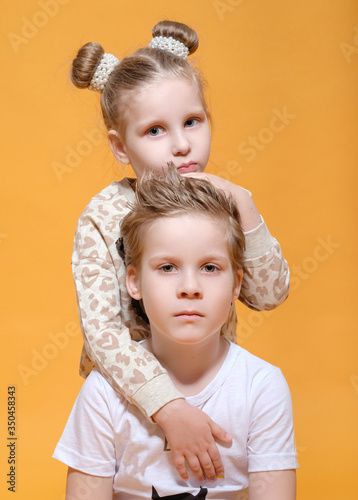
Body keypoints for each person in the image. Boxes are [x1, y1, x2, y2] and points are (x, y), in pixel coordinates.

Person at [69, 20, 290, 482]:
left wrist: (244, 206)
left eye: (192, 121)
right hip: (130, 399)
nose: (183, 144)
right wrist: (169, 409)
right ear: (121, 146)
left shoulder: (218, 205)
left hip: (208, 386)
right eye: (155, 131)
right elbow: (102, 333)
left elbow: (268, 293)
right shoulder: (103, 215)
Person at [53, 167, 298, 499]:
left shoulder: (262, 387)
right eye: (167, 267)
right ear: (134, 281)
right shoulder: (103, 395)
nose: (190, 288)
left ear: (236, 284)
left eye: (210, 267)